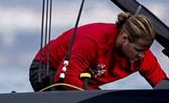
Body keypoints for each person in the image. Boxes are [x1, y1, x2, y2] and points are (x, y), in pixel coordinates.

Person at [30, 12, 168, 91]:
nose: (142, 55)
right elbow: (67, 80)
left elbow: (163, 89)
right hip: (48, 69)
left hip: (82, 81)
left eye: (146, 50)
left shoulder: (143, 57)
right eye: (138, 50)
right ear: (124, 38)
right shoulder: (93, 43)